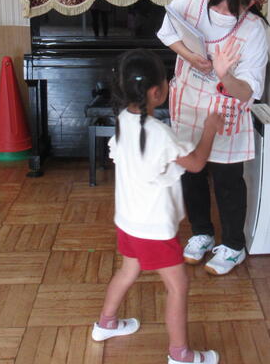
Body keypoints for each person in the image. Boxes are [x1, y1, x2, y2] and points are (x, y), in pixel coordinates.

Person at [92, 49, 223, 364]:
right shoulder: (160, 134)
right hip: (154, 229)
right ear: (156, 92)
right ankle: (180, 354)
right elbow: (196, 164)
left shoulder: (122, 120)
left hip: (128, 221)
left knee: (128, 270)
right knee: (178, 287)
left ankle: (106, 323)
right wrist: (210, 129)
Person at [157, 0, 269, 275]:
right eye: (216, 6)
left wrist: (224, 75)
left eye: (230, 11)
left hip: (225, 107)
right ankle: (201, 233)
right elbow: (167, 33)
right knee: (190, 171)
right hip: (189, 101)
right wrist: (190, 57)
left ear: (248, 4)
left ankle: (233, 246)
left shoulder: (253, 30)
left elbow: (248, 91)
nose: (220, 14)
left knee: (227, 178)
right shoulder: (189, 1)